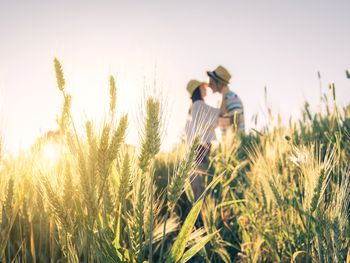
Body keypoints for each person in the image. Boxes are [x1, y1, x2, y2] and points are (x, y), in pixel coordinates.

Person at [184, 79, 220, 201]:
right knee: (202, 189)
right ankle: (201, 218)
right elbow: (218, 116)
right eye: (203, 87)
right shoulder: (199, 105)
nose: (205, 89)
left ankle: (199, 218)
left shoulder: (192, 108)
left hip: (196, 153)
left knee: (198, 189)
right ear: (198, 89)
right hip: (202, 152)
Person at [207, 65, 245, 136]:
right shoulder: (222, 100)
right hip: (228, 144)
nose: (208, 85)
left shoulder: (232, 98)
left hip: (236, 143)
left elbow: (235, 122)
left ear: (219, 83)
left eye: (211, 82)